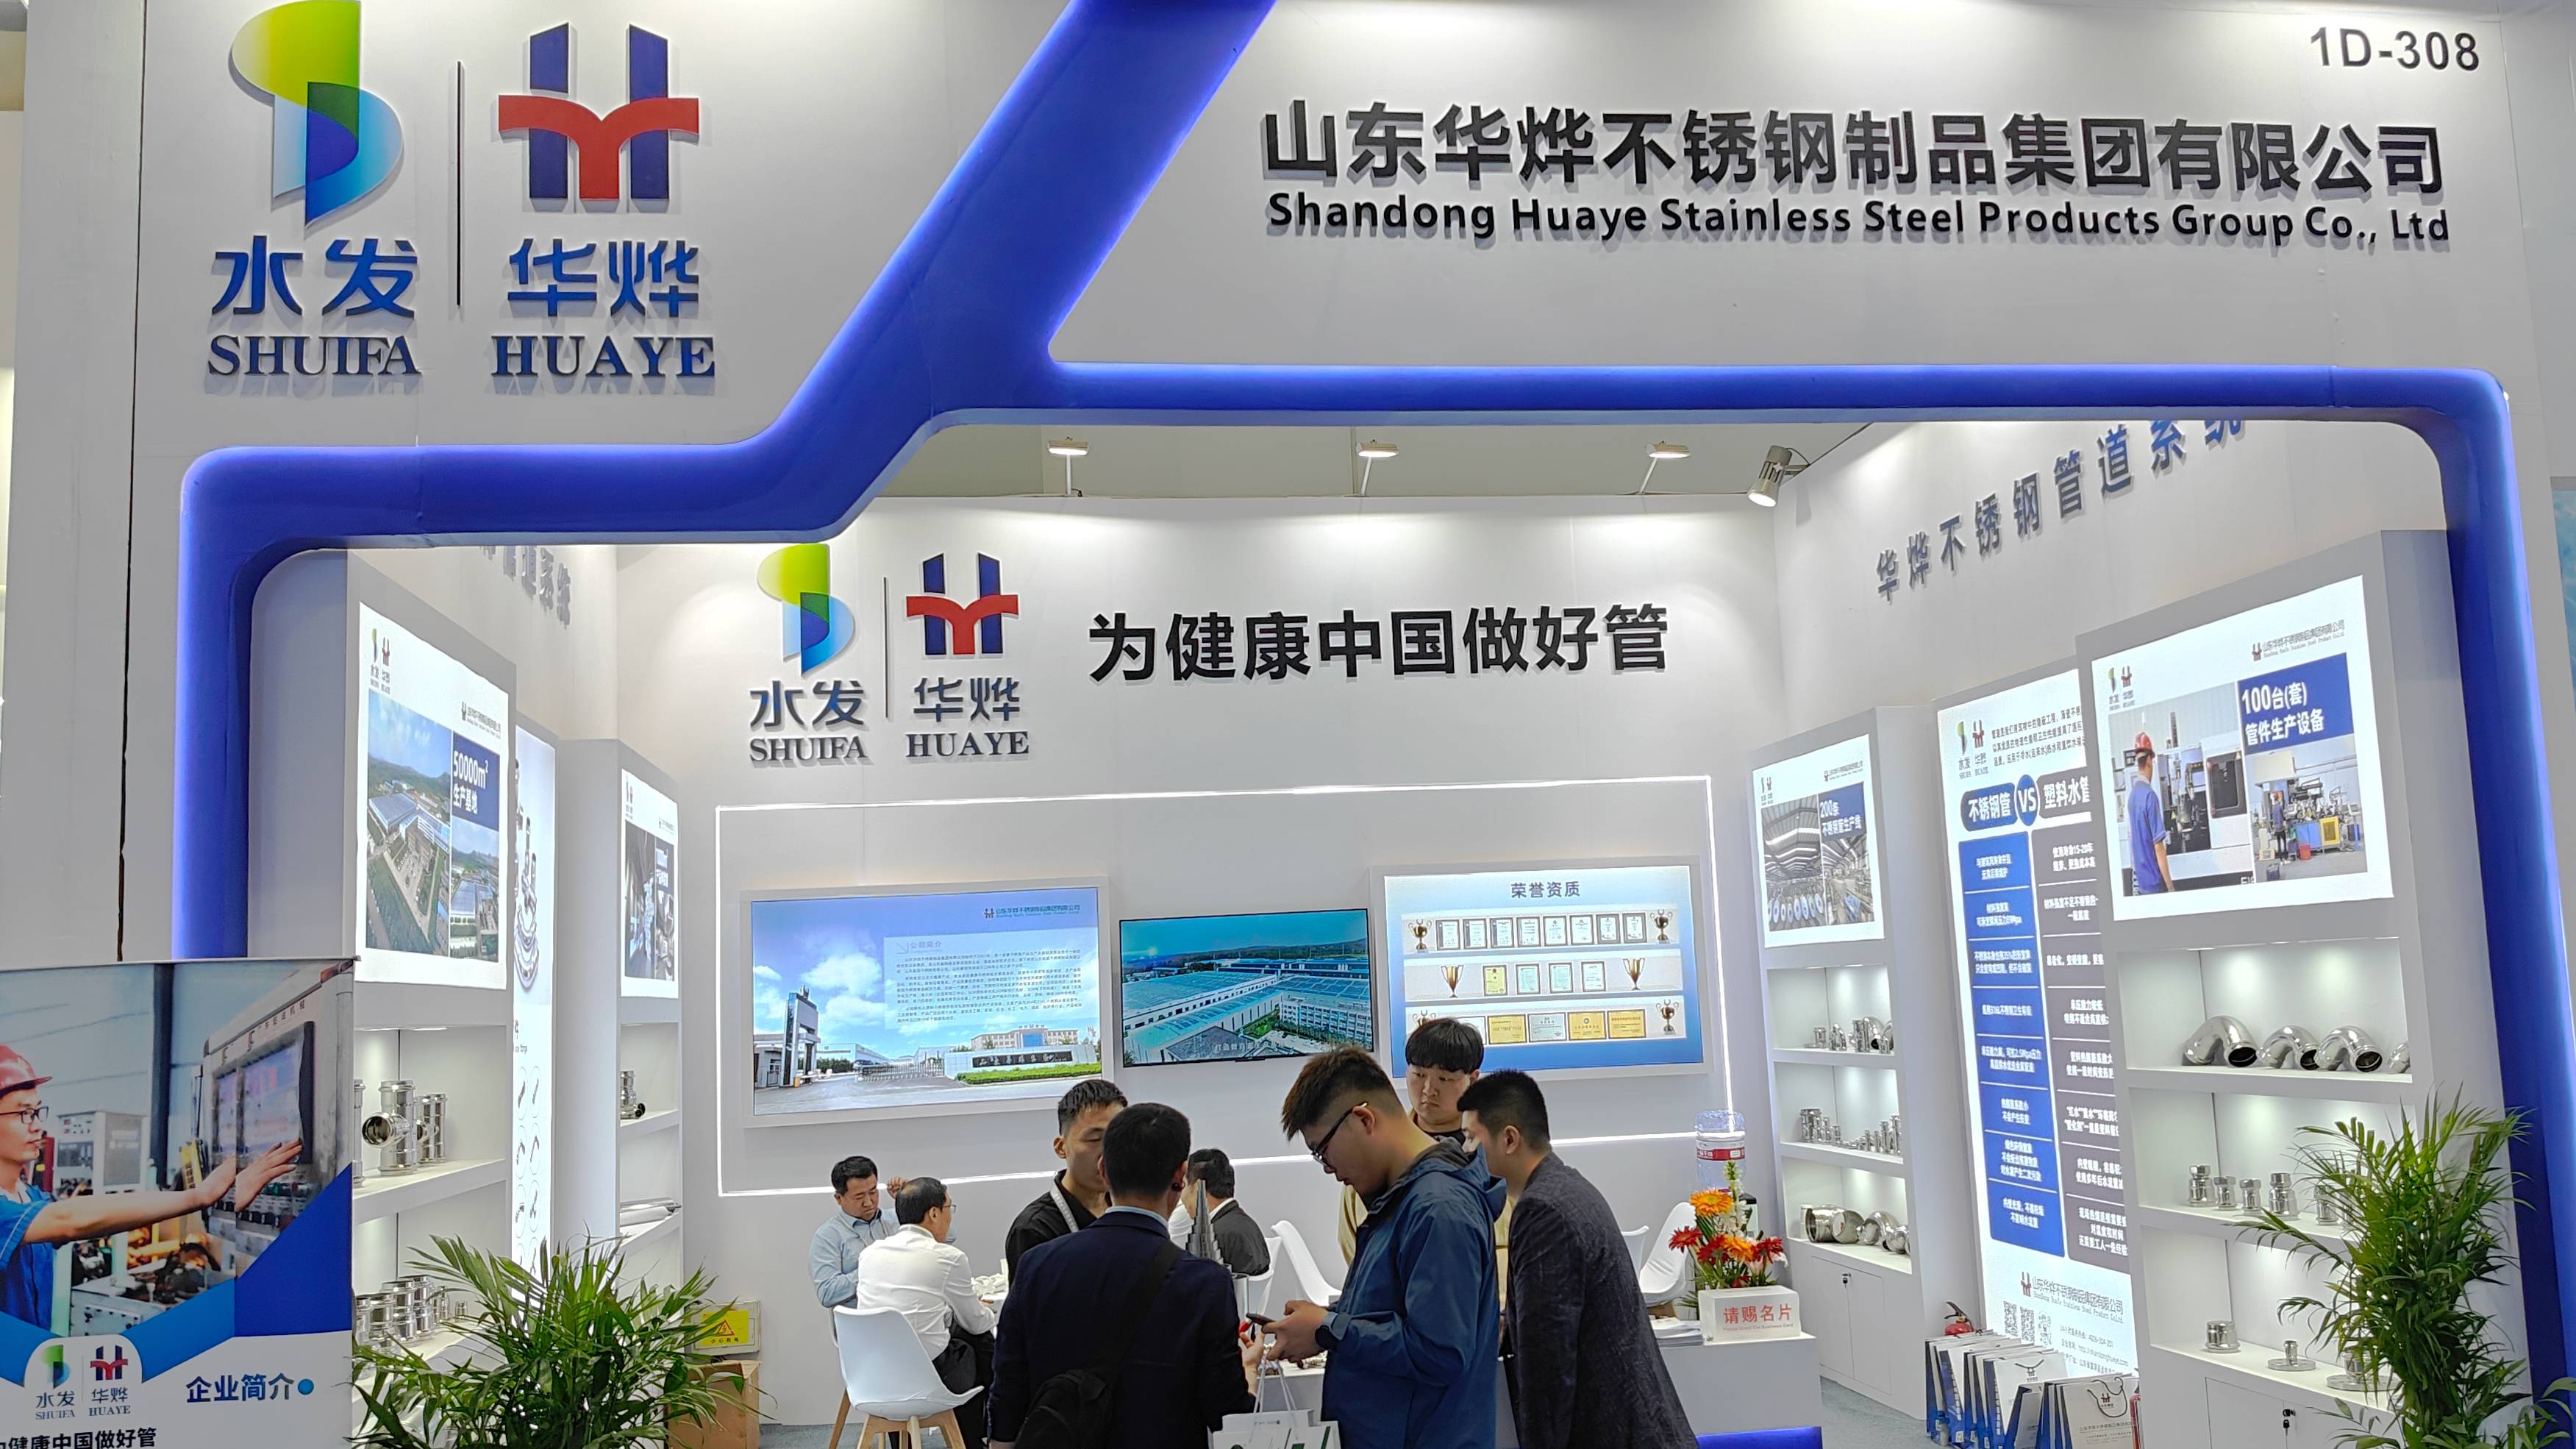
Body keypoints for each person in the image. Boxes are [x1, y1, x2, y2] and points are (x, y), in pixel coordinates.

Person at [988, 1103, 1259, 1449]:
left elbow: (1007, 1396)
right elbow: (1227, 1415)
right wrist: (1249, 1371)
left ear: (1104, 1169)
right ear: (1181, 1176)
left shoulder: (1037, 1265)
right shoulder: (1204, 1283)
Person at [1269, 1047, 1502, 1449]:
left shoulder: (1438, 1208)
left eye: (1322, 1150)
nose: (1329, 1169)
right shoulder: (1402, 1199)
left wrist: (1330, 1329)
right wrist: (1323, 1322)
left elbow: (1440, 1352)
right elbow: (1395, 1314)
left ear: (1363, 1119)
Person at [1460, 1070, 1693, 1449]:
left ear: (1509, 1139)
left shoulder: (1541, 1211)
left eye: (1472, 1138)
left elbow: (1547, 1363)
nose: (1467, 1151)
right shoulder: (1567, 1187)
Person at [0, 1043, 302, 1329]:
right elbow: (70, 1220)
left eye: (38, 1112)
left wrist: (219, 1199)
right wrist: (199, 1196)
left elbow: (80, 1215)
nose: (38, 1125)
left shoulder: (31, 1198)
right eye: (24, 1113)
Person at [849, 1177, 996, 1449]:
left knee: (926, 1343)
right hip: (926, 1381)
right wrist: (990, 1312)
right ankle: (980, 1440)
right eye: (950, 1208)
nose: (950, 1217)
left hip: (874, 1379)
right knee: (980, 1343)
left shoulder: (870, 1254)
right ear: (934, 1213)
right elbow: (975, 1323)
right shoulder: (948, 1257)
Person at [1337, 1017, 1483, 1264]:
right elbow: (1354, 1244)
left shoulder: (1497, 1153)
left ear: (1473, 1079)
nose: (1429, 1089)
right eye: (1419, 1074)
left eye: (1445, 1079)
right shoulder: (1377, 1154)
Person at [1002, 1078, 1125, 1278]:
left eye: (1119, 1138)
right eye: (1094, 1139)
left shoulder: (1127, 1207)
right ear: (1061, 1148)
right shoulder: (1035, 1230)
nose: (1109, 1152)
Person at [809, 1154, 907, 1309]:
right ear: (839, 1198)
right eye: (859, 1196)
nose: (868, 1202)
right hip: (860, 1320)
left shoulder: (899, 1218)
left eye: (873, 1192)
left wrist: (910, 1202)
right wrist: (872, 1268)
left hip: (905, 1313)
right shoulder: (828, 1236)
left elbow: (943, 1241)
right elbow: (827, 1293)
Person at [1167, 1147, 1270, 1278]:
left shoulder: (1211, 1239)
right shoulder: (1248, 1225)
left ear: (1198, 1188)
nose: (1182, 1197)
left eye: (1184, 1185)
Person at [2127, 733, 2171, 894]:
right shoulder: (2149, 796)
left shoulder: (2132, 797)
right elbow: (2158, 847)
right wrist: (2171, 887)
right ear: (2149, 762)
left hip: (2142, 883)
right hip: (2155, 884)